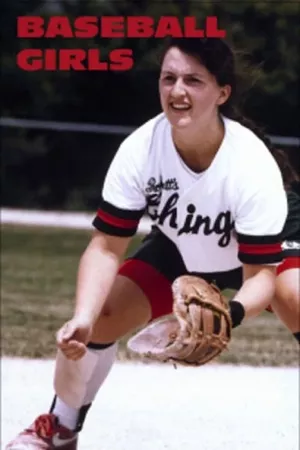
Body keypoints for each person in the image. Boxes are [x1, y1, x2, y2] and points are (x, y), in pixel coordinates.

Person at [6, 37, 299, 450]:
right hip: (182, 246)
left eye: (194, 80)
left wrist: (228, 314)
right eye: (168, 78)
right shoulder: (142, 148)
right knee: (103, 313)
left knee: (295, 296)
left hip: (263, 249)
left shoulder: (249, 165)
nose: (177, 91)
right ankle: (60, 428)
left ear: (222, 93)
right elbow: (106, 247)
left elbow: (260, 276)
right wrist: (84, 316)